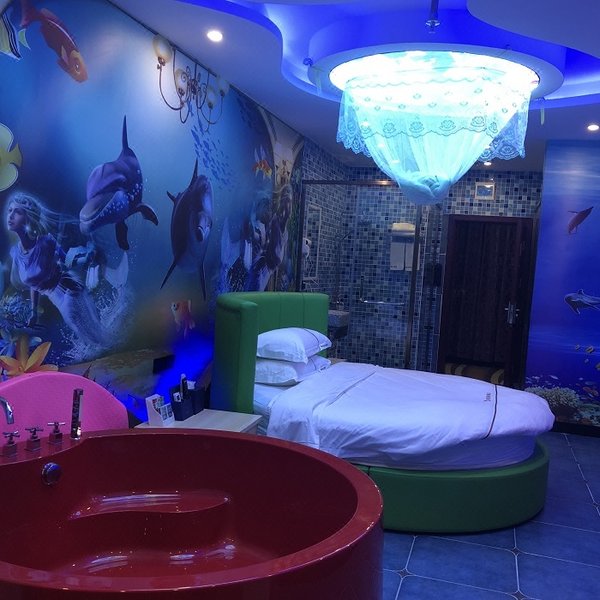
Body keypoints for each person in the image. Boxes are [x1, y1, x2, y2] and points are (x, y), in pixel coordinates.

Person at [5, 193, 108, 347]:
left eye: (17, 212)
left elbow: (67, 261)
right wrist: (33, 313)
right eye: (10, 210)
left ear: (28, 219)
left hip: (68, 287)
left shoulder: (45, 242)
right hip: (56, 299)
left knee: (83, 327)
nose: (11, 215)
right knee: (86, 331)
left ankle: (109, 348)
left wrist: (86, 258)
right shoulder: (16, 252)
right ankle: (107, 348)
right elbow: (34, 284)